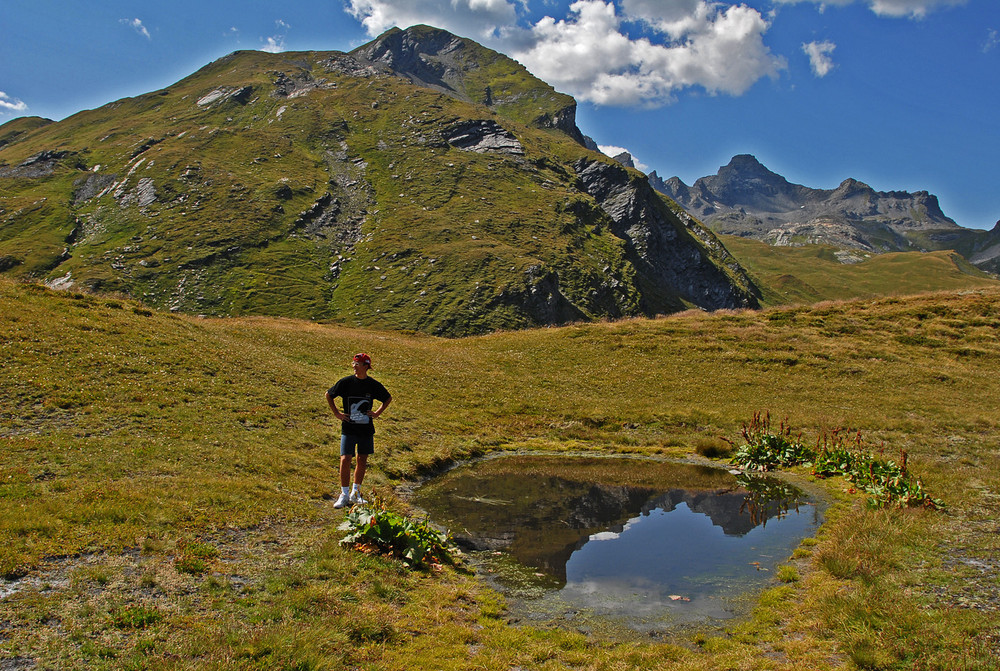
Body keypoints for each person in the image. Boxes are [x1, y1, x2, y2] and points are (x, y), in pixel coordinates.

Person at [326, 352, 392, 508]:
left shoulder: (373, 384)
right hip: (348, 427)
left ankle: (355, 493)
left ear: (366, 366)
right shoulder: (346, 382)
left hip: (366, 429)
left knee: (362, 460)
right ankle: (343, 494)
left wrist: (376, 413)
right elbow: (329, 394)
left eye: (358, 364)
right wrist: (337, 413)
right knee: (345, 458)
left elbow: (387, 398)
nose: (354, 367)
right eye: (353, 364)